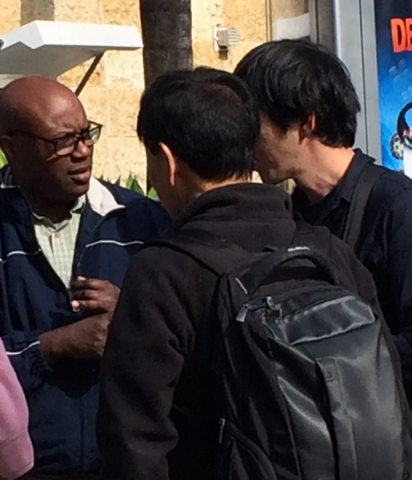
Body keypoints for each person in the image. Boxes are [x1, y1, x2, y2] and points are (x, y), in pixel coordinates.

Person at [96, 68, 392, 479]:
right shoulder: (328, 251)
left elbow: (133, 441)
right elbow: (387, 391)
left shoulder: (164, 272)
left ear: (167, 160)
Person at [0, 75, 170, 479]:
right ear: (11, 147)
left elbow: (195, 328)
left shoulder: (144, 223)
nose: (82, 151)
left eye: (86, 134)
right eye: (61, 141)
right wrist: (53, 346)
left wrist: (132, 310)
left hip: (128, 466)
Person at [234, 39, 412, 400]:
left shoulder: (397, 207)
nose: (245, 142)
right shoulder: (288, 216)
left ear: (306, 121)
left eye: (254, 123)